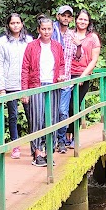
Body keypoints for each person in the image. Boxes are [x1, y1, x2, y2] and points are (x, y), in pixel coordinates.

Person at [20, 15, 66, 166]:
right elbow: (25, 69)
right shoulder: (31, 46)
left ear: (53, 30)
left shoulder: (57, 46)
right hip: (36, 86)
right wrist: (24, 91)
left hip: (53, 86)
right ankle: (37, 152)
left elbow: (61, 65)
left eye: (49, 29)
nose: (46, 32)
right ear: (39, 30)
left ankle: (49, 151)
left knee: (52, 119)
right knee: (37, 119)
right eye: (43, 29)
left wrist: (60, 77)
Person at [0, 12, 29, 159]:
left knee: (31, 114)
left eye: (18, 23)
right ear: (8, 25)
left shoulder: (28, 40)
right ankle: (15, 145)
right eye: (12, 23)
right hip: (10, 84)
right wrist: (1, 88)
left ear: (22, 24)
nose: (15, 25)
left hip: (26, 84)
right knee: (13, 116)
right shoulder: (2, 42)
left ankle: (36, 144)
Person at [68, 8, 102, 122]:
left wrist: (83, 76)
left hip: (83, 75)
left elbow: (94, 60)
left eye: (85, 20)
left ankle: (72, 134)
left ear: (89, 22)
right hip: (68, 74)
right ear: (76, 20)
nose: (82, 21)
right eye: (80, 19)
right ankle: (65, 135)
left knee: (74, 105)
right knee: (64, 106)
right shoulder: (70, 34)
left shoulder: (93, 37)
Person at [50, 4, 77, 151]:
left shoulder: (72, 35)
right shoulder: (50, 32)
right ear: (58, 16)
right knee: (51, 112)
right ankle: (52, 141)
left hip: (66, 81)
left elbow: (77, 57)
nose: (65, 18)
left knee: (62, 112)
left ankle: (61, 140)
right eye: (63, 15)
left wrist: (79, 46)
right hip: (51, 81)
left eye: (68, 16)